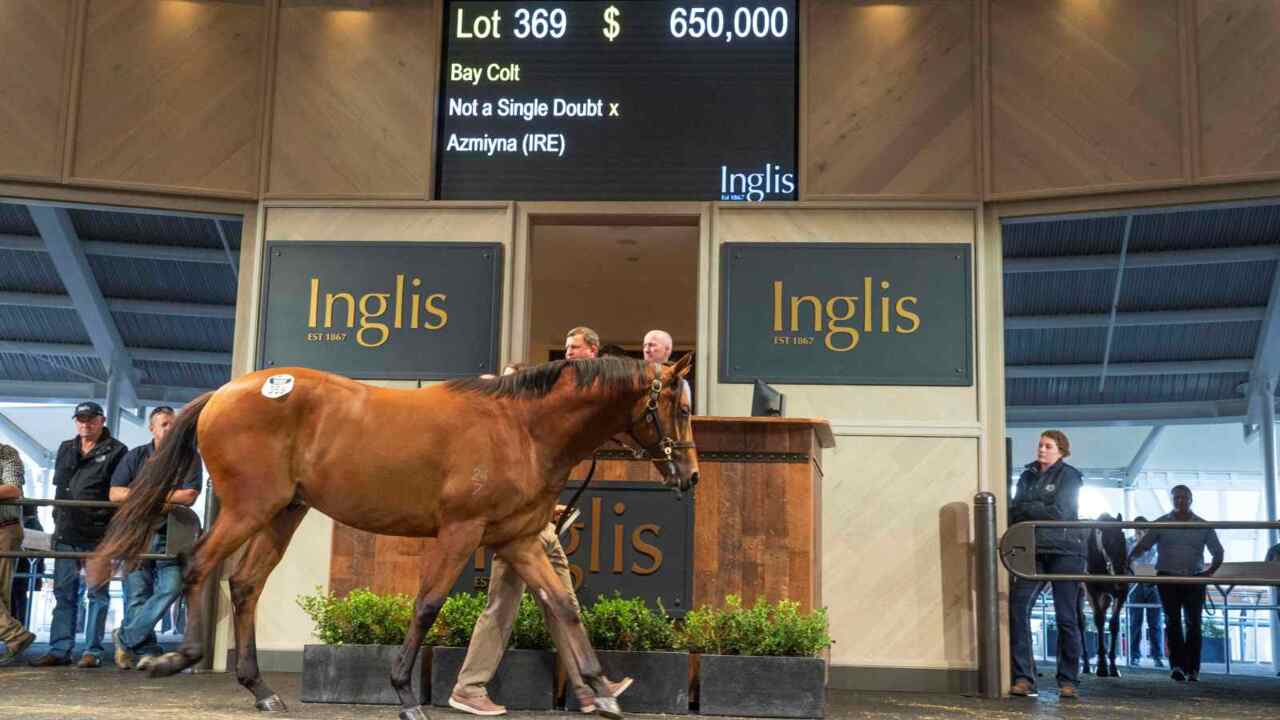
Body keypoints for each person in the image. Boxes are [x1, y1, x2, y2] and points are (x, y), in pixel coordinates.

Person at [449, 331, 631, 716]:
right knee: (501, 609)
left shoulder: (532, 433)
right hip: (517, 537)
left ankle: (588, 689)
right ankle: (468, 688)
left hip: (541, 532)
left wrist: (550, 511)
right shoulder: (500, 436)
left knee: (564, 606)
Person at [30, 401, 128, 668]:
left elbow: (119, 492)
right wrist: (56, 521)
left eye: (90, 419)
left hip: (99, 536)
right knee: (64, 593)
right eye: (80, 419)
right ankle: (60, 649)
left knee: (97, 594)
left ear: (102, 420)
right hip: (66, 533)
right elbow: (60, 488)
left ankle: (92, 651)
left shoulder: (118, 451)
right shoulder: (65, 448)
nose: (85, 423)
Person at [111, 406, 202, 671]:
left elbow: (189, 496)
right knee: (136, 594)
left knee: (171, 588)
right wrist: (163, 498)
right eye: (164, 424)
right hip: (136, 532)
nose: (170, 429)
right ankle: (144, 650)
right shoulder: (136, 455)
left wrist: (143, 495)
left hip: (173, 534)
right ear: (152, 428)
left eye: (174, 424)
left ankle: (125, 638)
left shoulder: (189, 457)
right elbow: (115, 493)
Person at [1008, 430, 1084, 699]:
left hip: (1066, 551)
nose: (1041, 449)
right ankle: (1024, 677)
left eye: (1048, 446)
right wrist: (1035, 506)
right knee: (1018, 608)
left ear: (1061, 450)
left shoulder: (1070, 476)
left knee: (1066, 617)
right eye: (1040, 445)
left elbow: (1060, 511)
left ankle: (1068, 680)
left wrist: (1030, 506)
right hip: (1035, 550)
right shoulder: (1027, 475)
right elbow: (1015, 509)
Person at [1127, 485, 1223, 683]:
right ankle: (1177, 666)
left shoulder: (1203, 525)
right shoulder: (1161, 523)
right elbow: (1143, 546)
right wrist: (1126, 561)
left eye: (1184, 497)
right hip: (1167, 578)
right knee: (1172, 622)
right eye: (1176, 497)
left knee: (1194, 624)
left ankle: (1193, 669)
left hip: (1194, 578)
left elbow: (1218, 552)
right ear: (1171, 500)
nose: (1180, 500)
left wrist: (1209, 572)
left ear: (1191, 499)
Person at [0, 442, 36, 665]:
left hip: (4, 528)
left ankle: (15, 637)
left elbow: (13, 489)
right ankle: (15, 636)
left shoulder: (6, 453)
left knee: (2, 592)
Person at [1126, 517, 1164, 668]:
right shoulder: (1129, 542)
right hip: (1135, 584)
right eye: (1138, 529)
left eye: (1143, 529)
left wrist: (1145, 541)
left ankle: (1157, 656)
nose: (1140, 532)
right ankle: (1134, 655)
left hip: (1153, 584)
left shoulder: (1155, 543)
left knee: (1155, 622)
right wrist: (1138, 541)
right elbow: (1128, 560)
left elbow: (1154, 558)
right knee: (1135, 621)